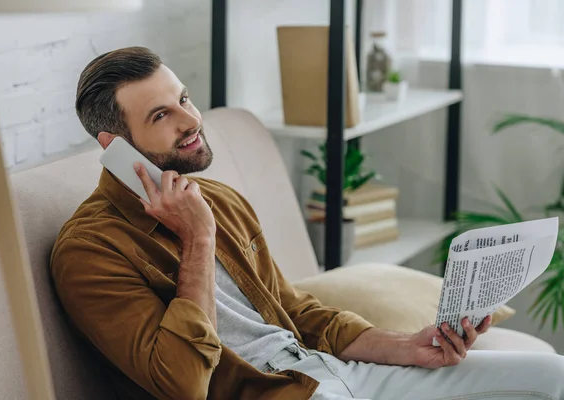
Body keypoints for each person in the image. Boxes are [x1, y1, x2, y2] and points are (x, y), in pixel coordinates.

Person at [51, 46, 564, 400]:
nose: (191, 121)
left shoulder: (219, 200)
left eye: (184, 99)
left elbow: (296, 311)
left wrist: (406, 347)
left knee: (552, 375)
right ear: (113, 148)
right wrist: (198, 239)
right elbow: (183, 382)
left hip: (336, 374)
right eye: (160, 116)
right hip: (281, 395)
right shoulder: (90, 251)